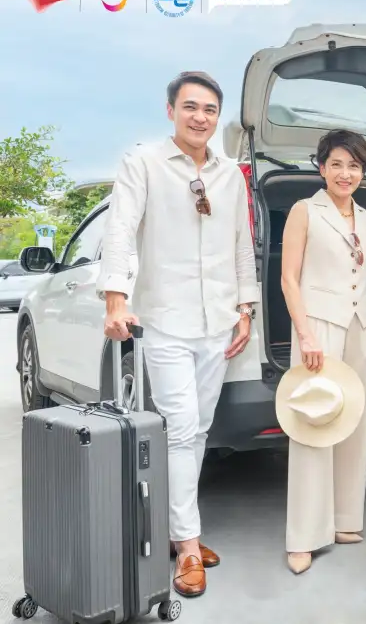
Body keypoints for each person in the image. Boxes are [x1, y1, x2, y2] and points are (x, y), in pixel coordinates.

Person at [98, 71, 259, 596]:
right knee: (182, 427)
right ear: (171, 110)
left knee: (199, 430)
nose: (200, 117)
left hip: (218, 322)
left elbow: (241, 244)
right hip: (165, 320)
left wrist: (246, 308)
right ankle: (188, 546)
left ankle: (175, 527)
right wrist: (116, 298)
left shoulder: (231, 175)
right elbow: (120, 230)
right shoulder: (143, 162)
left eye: (209, 110)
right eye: (190, 107)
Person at [278, 129, 366, 575]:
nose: (345, 173)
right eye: (337, 164)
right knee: (312, 423)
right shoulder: (305, 210)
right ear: (322, 168)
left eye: (354, 166)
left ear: (363, 172)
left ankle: (344, 519)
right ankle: (303, 536)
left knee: (355, 423)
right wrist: (304, 334)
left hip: (363, 323)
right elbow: (289, 278)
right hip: (318, 325)